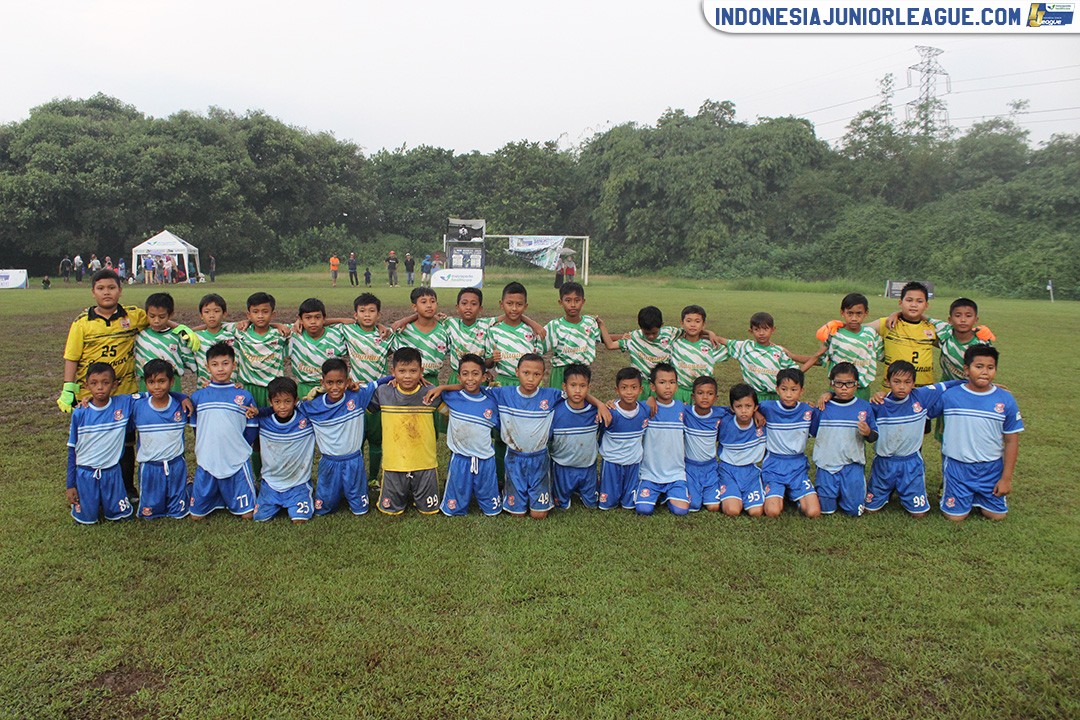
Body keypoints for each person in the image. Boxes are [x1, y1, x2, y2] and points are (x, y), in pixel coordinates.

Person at [59, 269, 196, 497]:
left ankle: (128, 488)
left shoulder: (133, 315)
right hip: (92, 393)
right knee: (94, 441)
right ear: (93, 292)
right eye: (101, 288)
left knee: (126, 443)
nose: (107, 293)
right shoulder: (82, 323)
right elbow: (71, 357)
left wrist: (181, 328)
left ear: (120, 291)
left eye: (111, 288)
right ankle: (91, 489)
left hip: (124, 391)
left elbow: (158, 319)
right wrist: (68, 387)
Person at [429, 353, 610, 519]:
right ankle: (512, 494)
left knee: (539, 515)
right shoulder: (502, 394)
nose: (531, 379)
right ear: (517, 372)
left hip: (539, 458)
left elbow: (577, 393)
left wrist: (600, 404)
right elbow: (472, 385)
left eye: (536, 374)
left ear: (543, 375)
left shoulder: (551, 395)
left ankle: (540, 497)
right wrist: (444, 386)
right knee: (517, 514)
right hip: (515, 458)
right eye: (526, 373)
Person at [928, 346, 1023, 522]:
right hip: (958, 466)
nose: (984, 372)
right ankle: (962, 495)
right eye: (978, 366)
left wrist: (1006, 479)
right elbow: (920, 408)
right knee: (955, 517)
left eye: (990, 367)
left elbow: (1011, 441)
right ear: (966, 369)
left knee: (997, 516)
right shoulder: (951, 396)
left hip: (991, 468)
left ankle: (979, 497)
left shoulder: (1005, 399)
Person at [865, 361, 962, 517]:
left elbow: (947, 385)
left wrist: (980, 385)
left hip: (911, 463)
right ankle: (884, 492)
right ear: (888, 382)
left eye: (907, 382)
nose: (902, 386)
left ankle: (908, 492)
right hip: (884, 462)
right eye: (896, 382)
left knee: (919, 514)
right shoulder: (879, 404)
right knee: (870, 510)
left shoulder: (921, 396)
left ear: (914, 383)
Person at [303, 358, 387, 516]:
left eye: (340, 382)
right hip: (329, 462)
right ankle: (331, 496)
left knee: (360, 510)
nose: (335, 387)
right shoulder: (313, 405)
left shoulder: (357, 396)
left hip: (353, 461)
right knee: (323, 509)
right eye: (329, 383)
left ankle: (354, 495)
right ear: (322, 382)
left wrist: (400, 376)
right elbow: (287, 410)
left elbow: (381, 381)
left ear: (348, 381)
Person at [188, 342, 259, 519]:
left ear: (234, 366)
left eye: (225, 363)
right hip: (208, 457)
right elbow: (196, 428)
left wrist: (240, 447)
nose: (220, 369)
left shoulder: (244, 395)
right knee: (196, 516)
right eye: (215, 364)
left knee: (248, 515)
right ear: (207, 367)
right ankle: (195, 488)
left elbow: (252, 427)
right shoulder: (198, 397)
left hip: (236, 457)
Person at [65, 362, 137, 524]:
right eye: (94, 383)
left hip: (112, 472)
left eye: (105, 383)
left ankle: (111, 502)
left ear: (114, 385)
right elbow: (72, 450)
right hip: (86, 473)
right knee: (87, 520)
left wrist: (181, 397)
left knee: (123, 518)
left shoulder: (123, 404)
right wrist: (70, 485)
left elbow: (153, 395)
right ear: (86, 385)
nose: (100, 388)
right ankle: (90, 502)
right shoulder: (80, 412)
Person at [373, 348, 441, 515]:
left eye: (413, 371)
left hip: (425, 463)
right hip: (394, 463)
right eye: (401, 371)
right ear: (393, 371)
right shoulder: (384, 392)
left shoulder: (431, 393)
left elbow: (453, 411)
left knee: (429, 510)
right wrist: (389, 379)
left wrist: (444, 388)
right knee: (391, 510)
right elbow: (358, 401)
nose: (407, 376)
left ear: (422, 371)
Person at [810, 363, 878, 517]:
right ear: (832, 384)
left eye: (849, 384)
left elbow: (874, 437)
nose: (844, 388)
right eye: (839, 383)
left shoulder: (864, 407)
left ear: (856, 385)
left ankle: (849, 493)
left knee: (854, 511)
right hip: (827, 465)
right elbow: (812, 432)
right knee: (826, 510)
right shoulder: (823, 407)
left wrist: (867, 432)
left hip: (851, 465)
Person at [437, 354, 502, 516]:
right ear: (458, 377)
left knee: (492, 511)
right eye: (465, 374)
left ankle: (489, 500)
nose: (470, 378)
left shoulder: (492, 399)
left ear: (484, 376)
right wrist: (442, 388)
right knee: (453, 510)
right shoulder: (452, 397)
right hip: (460, 459)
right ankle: (457, 501)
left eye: (475, 374)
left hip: (485, 460)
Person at [340, 293, 392, 483]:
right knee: (357, 440)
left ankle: (373, 478)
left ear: (378, 315)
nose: (367, 315)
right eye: (362, 311)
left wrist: (383, 326)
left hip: (379, 393)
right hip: (356, 393)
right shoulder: (348, 331)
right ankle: (359, 476)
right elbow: (323, 321)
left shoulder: (386, 335)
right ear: (355, 315)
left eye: (372, 311)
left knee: (377, 440)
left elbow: (400, 326)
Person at [758, 368, 822, 519]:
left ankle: (794, 495)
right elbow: (748, 406)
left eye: (794, 390)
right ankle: (779, 493)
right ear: (777, 389)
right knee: (773, 512)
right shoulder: (767, 407)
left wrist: (828, 394)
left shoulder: (807, 410)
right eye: (784, 389)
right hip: (774, 465)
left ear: (801, 391)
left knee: (813, 512)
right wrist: (756, 413)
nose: (788, 394)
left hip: (797, 466)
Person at [131, 359, 191, 519]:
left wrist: (181, 396)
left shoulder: (182, 405)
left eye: (161, 381)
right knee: (149, 514)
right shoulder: (137, 405)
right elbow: (110, 403)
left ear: (171, 382)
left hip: (176, 464)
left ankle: (186, 492)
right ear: (145, 383)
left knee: (178, 513)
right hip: (150, 467)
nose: (156, 387)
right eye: (151, 382)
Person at [252, 377, 316, 523]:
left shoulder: (306, 419)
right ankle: (267, 495)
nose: (282, 406)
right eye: (277, 402)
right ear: (270, 402)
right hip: (271, 482)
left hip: (297, 483)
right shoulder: (263, 420)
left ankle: (300, 497)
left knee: (300, 520)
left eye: (287, 401)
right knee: (260, 518)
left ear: (295, 400)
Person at [716, 312, 818, 402]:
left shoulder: (778, 351)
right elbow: (723, 340)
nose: (761, 333)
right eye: (757, 329)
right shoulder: (744, 347)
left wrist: (815, 357)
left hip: (775, 397)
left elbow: (796, 372)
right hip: (753, 397)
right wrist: (709, 333)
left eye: (765, 329)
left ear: (773, 330)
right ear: (750, 331)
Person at [634, 363, 690, 516]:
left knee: (681, 510)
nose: (668, 387)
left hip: (675, 474)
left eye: (672, 382)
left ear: (677, 386)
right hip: (650, 474)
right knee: (643, 510)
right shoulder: (645, 409)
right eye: (662, 382)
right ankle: (656, 493)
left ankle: (669, 494)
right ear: (652, 386)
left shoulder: (683, 409)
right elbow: (624, 407)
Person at [811, 293, 884, 400]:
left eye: (859, 313)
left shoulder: (871, 334)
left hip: (862, 390)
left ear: (866, 313)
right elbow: (821, 359)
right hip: (837, 389)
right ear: (842, 312)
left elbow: (884, 356)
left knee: (861, 415)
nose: (854, 318)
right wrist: (793, 356)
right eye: (850, 313)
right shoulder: (834, 334)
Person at [598, 306, 680, 399]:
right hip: (641, 385)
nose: (650, 336)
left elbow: (690, 332)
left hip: (662, 385)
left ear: (661, 325)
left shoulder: (671, 333)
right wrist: (602, 325)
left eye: (654, 333)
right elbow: (610, 345)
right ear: (640, 327)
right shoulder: (634, 337)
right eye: (646, 333)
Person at [550, 363, 601, 509]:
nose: (577, 390)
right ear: (564, 387)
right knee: (561, 505)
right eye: (573, 385)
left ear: (589, 388)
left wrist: (602, 406)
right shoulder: (556, 411)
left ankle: (584, 490)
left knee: (592, 505)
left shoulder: (595, 412)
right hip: (562, 466)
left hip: (588, 466)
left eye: (582, 386)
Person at [598, 367, 649, 510]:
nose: (629, 392)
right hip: (612, 462)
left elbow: (654, 402)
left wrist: (651, 399)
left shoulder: (644, 410)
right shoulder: (610, 412)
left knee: (629, 504)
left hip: (633, 463)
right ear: (617, 390)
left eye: (634, 387)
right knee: (607, 504)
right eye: (624, 388)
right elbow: (599, 434)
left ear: (641, 389)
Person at [538, 282, 601, 389]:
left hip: (582, 372)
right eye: (568, 300)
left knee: (580, 403)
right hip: (561, 372)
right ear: (560, 302)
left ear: (583, 301)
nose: (573, 305)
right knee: (558, 402)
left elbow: (602, 339)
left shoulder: (590, 323)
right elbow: (539, 347)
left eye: (577, 300)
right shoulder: (554, 326)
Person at [680, 376, 729, 512]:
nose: (705, 397)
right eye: (700, 393)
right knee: (694, 505)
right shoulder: (685, 412)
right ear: (693, 396)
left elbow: (739, 410)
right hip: (690, 466)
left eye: (710, 393)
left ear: (716, 397)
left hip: (710, 467)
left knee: (713, 507)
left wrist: (757, 414)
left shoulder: (720, 413)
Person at [718, 384, 768, 517]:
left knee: (756, 512)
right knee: (733, 510)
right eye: (739, 406)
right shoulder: (724, 423)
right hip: (728, 470)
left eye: (748, 406)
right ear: (732, 408)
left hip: (751, 471)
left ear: (756, 407)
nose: (744, 411)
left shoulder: (763, 423)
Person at [234, 292, 288, 408]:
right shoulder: (241, 332)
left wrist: (277, 325)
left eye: (265, 311)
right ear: (248, 315)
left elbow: (306, 323)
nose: (260, 316)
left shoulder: (281, 333)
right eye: (255, 312)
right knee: (249, 422)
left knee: (270, 422)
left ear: (273, 314)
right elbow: (215, 327)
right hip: (248, 387)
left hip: (273, 388)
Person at [134, 293, 197, 392]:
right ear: (146, 314)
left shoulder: (177, 336)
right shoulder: (140, 336)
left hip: (172, 385)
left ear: (170, 315)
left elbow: (191, 361)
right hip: (146, 384)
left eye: (162, 316)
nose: (156, 320)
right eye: (152, 316)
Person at [389, 287, 450, 387]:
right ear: (414, 307)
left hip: (431, 383)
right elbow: (384, 351)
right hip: (405, 383)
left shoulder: (445, 330)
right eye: (423, 302)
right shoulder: (404, 330)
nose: (429, 305)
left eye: (432, 301)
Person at [288, 298, 347, 399]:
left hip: (331, 388)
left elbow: (358, 323)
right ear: (300, 319)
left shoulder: (337, 334)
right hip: (304, 387)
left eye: (317, 317)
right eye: (308, 318)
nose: (313, 322)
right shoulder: (292, 334)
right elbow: (263, 326)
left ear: (324, 318)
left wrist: (340, 320)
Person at [668, 305, 727, 403]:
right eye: (689, 321)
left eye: (697, 321)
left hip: (702, 394)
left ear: (703, 324)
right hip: (679, 392)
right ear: (682, 323)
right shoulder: (674, 344)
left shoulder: (711, 345)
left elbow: (734, 349)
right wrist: (708, 332)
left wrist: (713, 336)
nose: (693, 325)